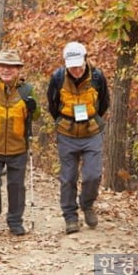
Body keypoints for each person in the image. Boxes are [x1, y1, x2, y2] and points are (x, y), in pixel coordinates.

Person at [0, 50, 40, 235]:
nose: (6, 70)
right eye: (3, 66)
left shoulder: (27, 90)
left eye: (11, 67)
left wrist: (33, 108)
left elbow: (36, 115)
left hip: (18, 147)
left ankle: (15, 220)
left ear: (18, 70)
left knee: (16, 186)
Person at [47, 42, 109, 234]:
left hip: (92, 132)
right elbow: (52, 104)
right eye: (72, 66)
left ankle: (87, 204)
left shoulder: (97, 77)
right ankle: (70, 217)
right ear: (66, 64)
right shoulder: (57, 78)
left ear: (86, 60)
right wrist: (64, 122)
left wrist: (90, 119)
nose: (76, 69)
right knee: (68, 177)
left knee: (93, 175)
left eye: (79, 65)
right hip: (67, 133)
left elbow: (104, 103)